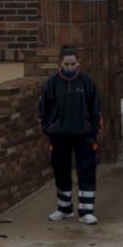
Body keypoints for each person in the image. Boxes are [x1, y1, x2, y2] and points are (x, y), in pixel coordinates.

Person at [38, 45, 102, 224]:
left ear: (78, 63)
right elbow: (43, 109)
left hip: (84, 135)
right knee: (61, 171)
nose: (69, 67)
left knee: (87, 171)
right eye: (66, 64)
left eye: (73, 63)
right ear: (60, 63)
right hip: (59, 136)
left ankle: (86, 211)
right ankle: (64, 208)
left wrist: (93, 130)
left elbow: (96, 109)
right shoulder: (51, 83)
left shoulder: (87, 82)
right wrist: (48, 128)